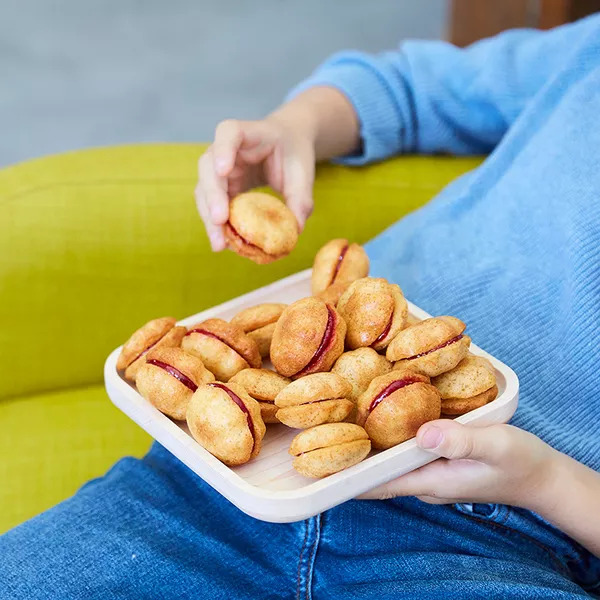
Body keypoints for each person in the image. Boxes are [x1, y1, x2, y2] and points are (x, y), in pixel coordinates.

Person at [2, 15, 600, 600]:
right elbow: (417, 89)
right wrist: (296, 126)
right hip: (229, 482)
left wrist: (548, 483)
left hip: (500, 541)